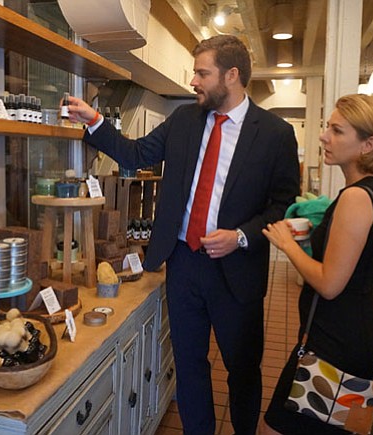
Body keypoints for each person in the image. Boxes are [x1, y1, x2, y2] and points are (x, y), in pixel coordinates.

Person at [66, 35, 300, 434]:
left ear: (232, 75)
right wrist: (94, 121)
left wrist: (241, 236)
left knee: (243, 369)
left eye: (202, 73)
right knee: (190, 365)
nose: (193, 81)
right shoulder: (185, 121)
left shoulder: (275, 133)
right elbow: (137, 153)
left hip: (237, 269)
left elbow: (283, 206)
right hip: (184, 261)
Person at [260, 94, 373, 434]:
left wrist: (286, 245)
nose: (324, 136)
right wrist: (312, 238)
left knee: (275, 427)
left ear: (369, 144)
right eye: (327, 127)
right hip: (350, 334)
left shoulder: (355, 197)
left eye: (337, 131)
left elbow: (330, 283)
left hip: (335, 342)